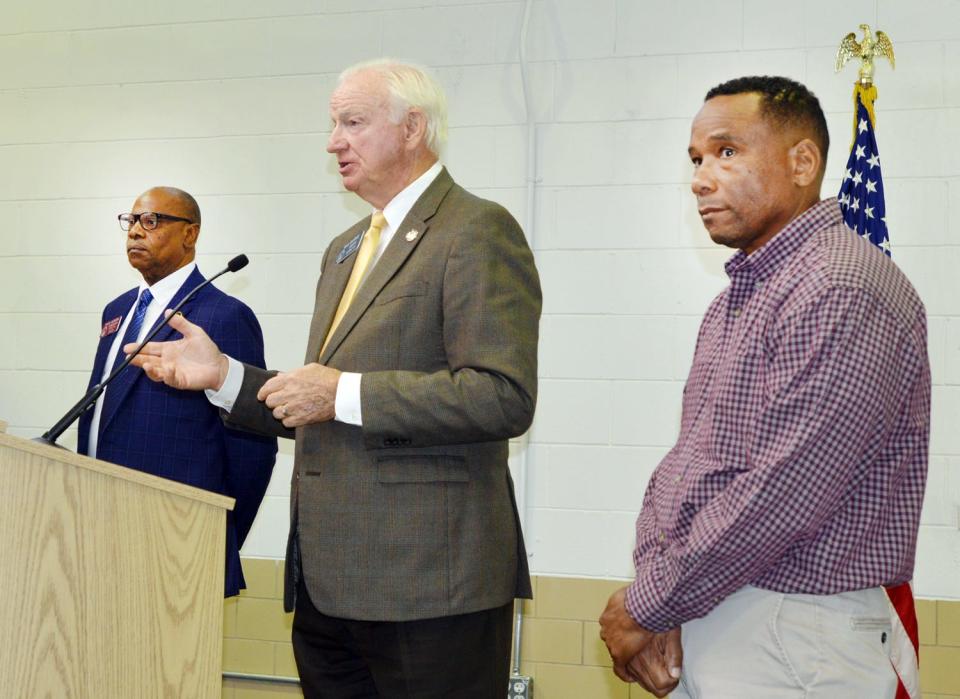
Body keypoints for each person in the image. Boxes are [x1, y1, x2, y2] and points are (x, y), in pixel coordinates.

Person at [129, 60, 541, 698]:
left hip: (429, 586)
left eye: (351, 122)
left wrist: (343, 391)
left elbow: (501, 395)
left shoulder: (476, 230)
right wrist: (226, 378)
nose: (332, 142)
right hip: (328, 586)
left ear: (412, 128)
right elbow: (316, 404)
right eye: (332, 124)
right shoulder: (346, 248)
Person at [599, 76, 930, 698]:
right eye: (696, 160)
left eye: (727, 152)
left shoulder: (840, 288)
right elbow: (688, 470)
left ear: (802, 162)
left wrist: (647, 604)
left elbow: (785, 489)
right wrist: (663, 595)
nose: (701, 178)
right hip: (723, 609)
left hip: (798, 634)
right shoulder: (738, 301)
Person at [78, 186, 277, 597]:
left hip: (178, 537)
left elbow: (254, 445)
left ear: (190, 234)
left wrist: (218, 532)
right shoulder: (116, 311)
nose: (135, 231)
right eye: (130, 221)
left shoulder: (224, 316)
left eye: (150, 221)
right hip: (98, 524)